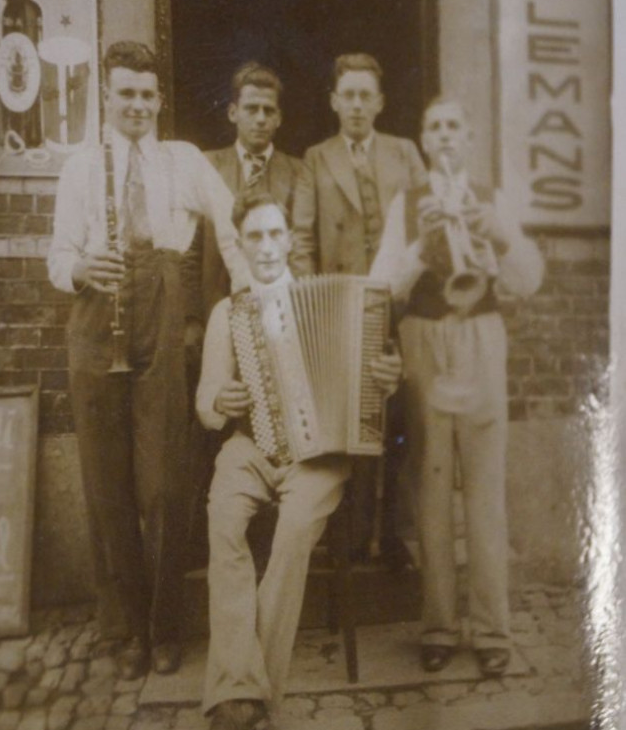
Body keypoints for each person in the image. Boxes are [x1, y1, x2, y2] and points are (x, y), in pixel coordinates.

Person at [48, 40, 248, 678]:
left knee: (162, 484)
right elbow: (56, 256)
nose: (136, 104)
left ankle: (165, 628)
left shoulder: (182, 160)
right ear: (106, 98)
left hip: (160, 315)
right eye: (124, 93)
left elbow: (229, 220)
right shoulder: (80, 168)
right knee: (108, 487)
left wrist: (249, 288)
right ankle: (128, 628)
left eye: (146, 94)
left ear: (160, 100)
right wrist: (80, 267)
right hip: (95, 314)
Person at [190, 192, 402, 730]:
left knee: (289, 540)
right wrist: (220, 399)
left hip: (320, 457)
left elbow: (373, 389)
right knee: (224, 522)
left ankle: (239, 703)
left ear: (289, 240)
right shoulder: (226, 314)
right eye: (252, 237)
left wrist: (385, 378)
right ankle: (245, 698)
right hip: (249, 447)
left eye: (273, 235)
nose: (264, 247)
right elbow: (206, 402)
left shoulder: (341, 304)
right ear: (241, 245)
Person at [370, 98, 544, 676]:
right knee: (431, 486)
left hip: (480, 336)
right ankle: (440, 626)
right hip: (424, 338)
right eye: (434, 127)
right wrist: (421, 248)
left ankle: (493, 629)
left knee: (486, 489)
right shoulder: (408, 202)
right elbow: (383, 288)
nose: (444, 136)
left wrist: (494, 233)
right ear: (423, 140)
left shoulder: (492, 197)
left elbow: (527, 281)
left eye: (453, 127)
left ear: (468, 139)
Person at [290, 52, 426, 557]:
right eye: (348, 95)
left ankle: (393, 533)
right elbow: (301, 239)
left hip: (400, 304)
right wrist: (317, 306)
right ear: (333, 101)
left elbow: (424, 225)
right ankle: (348, 534)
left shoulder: (406, 153)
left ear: (380, 102)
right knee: (352, 422)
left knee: (400, 422)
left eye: (366, 95)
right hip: (344, 310)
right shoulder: (317, 158)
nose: (356, 105)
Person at [184, 60, 301, 327]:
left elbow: (301, 248)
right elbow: (189, 249)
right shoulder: (207, 166)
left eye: (268, 110)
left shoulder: (298, 172)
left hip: (279, 317)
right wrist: (191, 319)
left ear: (279, 118)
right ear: (233, 112)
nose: (260, 118)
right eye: (251, 109)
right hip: (215, 312)